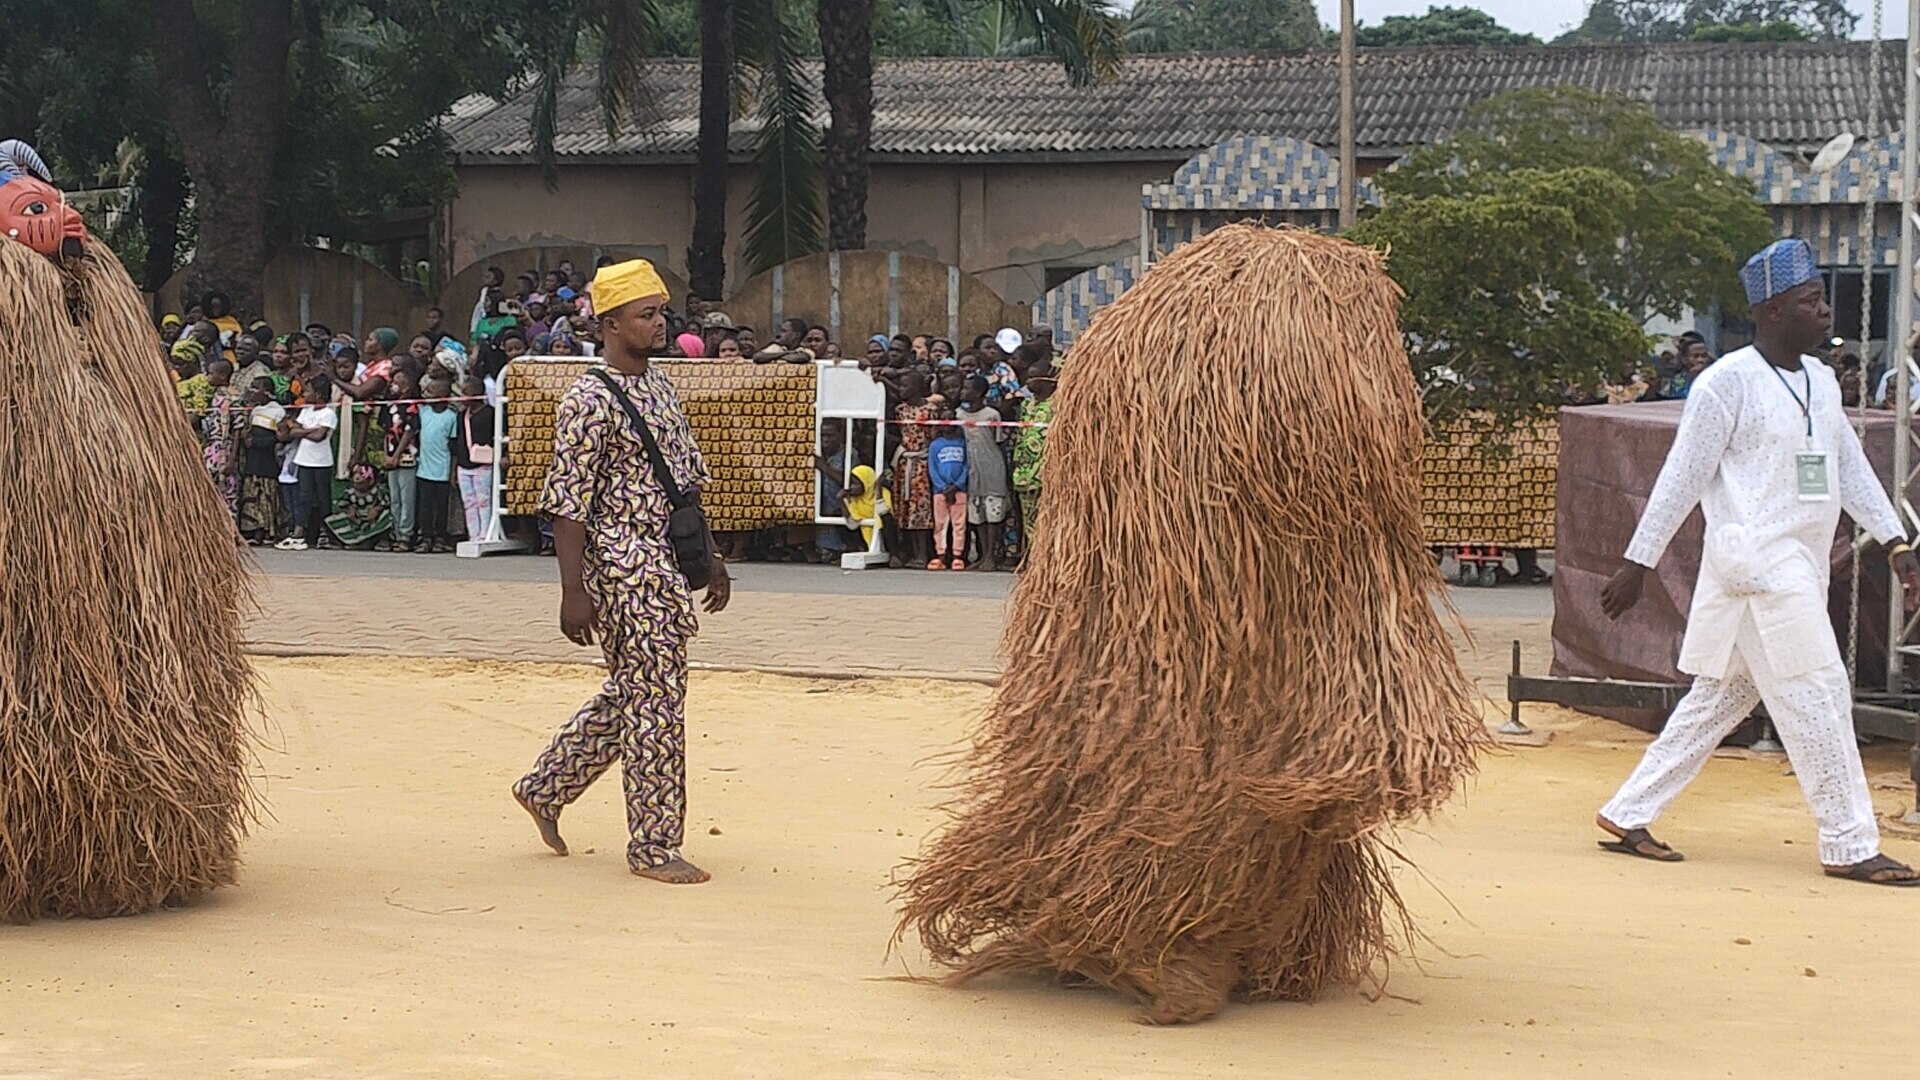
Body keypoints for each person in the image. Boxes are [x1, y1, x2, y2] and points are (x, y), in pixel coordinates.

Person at [1596, 238, 1920, 887]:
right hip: (1760, 566)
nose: (1826, 311)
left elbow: (1849, 470)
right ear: (1772, 311)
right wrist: (1639, 562)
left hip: (1793, 564)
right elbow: (1680, 478)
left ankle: (1628, 811)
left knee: (1723, 697)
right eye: (1812, 301)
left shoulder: (1823, 383)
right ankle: (1850, 843)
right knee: (1822, 693)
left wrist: (1895, 541)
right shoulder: (1725, 384)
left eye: (1822, 299)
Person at [512, 258, 731, 886]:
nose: (660, 324)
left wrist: (710, 557)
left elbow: (684, 484)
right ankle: (654, 846)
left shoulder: (659, 386)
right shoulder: (588, 399)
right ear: (609, 324)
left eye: (661, 312)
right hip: (618, 565)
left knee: (637, 691)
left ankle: (545, 787)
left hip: (664, 560)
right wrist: (572, 592)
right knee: (658, 699)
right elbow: (567, 504)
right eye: (646, 314)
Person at [276, 376, 338, 552]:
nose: (305, 393)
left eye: (308, 391)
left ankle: (326, 532)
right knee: (304, 497)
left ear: (318, 394)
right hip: (303, 460)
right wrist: (309, 430)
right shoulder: (307, 410)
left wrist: (301, 431)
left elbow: (319, 437)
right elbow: (293, 431)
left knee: (322, 498)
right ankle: (299, 531)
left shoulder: (328, 413)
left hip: (321, 462)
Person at [956, 375, 1011, 571]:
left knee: (993, 515)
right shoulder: (960, 415)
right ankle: (982, 554)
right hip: (972, 470)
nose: (962, 391)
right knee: (977, 515)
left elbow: (1000, 442)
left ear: (978, 393)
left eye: (966, 388)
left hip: (992, 469)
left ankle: (991, 555)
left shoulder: (991, 415)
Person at [890, 369, 939, 569]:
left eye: (905, 385)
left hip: (921, 462)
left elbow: (934, 436)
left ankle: (923, 553)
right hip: (904, 463)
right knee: (905, 508)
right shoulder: (900, 410)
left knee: (921, 509)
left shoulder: (930, 410)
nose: (901, 389)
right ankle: (911, 551)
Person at [1012, 361, 1056, 561]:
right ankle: (1035, 559)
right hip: (1024, 472)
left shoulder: (1057, 404)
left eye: (1032, 377)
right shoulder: (1027, 404)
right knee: (1029, 519)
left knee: (1048, 518)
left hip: (1047, 470)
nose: (1028, 382)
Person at [236, 378, 285, 545]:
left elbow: (278, 438)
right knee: (252, 496)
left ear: (266, 391)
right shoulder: (254, 410)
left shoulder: (278, 411)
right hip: (252, 459)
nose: (251, 390)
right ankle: (253, 531)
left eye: (256, 388)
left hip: (267, 459)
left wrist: (256, 442)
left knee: (266, 496)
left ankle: (267, 532)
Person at [379, 367, 423, 552]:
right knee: (395, 498)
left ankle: (405, 534)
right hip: (390, 455)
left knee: (407, 497)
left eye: (398, 380)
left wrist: (396, 455)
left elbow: (409, 431)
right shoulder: (389, 405)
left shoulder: (412, 405)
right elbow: (385, 430)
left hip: (406, 455)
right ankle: (396, 532)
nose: (393, 384)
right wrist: (387, 456)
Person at [414, 375, 459, 554]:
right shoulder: (423, 412)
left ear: (443, 395)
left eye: (431, 392)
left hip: (442, 470)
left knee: (441, 507)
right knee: (425, 506)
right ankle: (425, 537)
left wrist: (452, 471)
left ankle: (440, 536)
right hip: (424, 469)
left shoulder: (451, 417)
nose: (427, 395)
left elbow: (454, 446)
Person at [454, 373, 497, 543]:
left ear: (479, 393)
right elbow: (457, 442)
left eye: (467, 392)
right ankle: (474, 534)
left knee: (483, 500)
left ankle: (485, 534)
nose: (463, 396)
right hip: (464, 465)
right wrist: (454, 467)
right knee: (469, 501)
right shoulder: (462, 415)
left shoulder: (491, 413)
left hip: (483, 464)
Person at [199, 359, 243, 516]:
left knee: (227, 487)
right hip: (213, 448)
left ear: (223, 375)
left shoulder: (232, 398)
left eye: (211, 373)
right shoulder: (215, 396)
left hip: (225, 449)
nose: (207, 377)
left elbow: (238, 428)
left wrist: (232, 458)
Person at [926, 416, 968, 571]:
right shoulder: (935, 445)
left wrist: (957, 485)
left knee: (959, 523)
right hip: (940, 491)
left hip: (959, 490)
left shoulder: (962, 443)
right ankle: (941, 555)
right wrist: (942, 486)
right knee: (940, 523)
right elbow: (932, 468)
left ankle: (957, 555)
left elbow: (966, 466)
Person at [325, 464, 393, 550]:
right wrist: (350, 508)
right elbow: (341, 503)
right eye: (355, 482)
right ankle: (348, 541)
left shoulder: (378, 490)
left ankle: (383, 541)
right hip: (356, 522)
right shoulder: (350, 492)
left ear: (370, 481)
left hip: (373, 523)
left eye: (361, 482)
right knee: (332, 519)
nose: (356, 484)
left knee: (387, 516)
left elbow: (387, 501)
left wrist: (377, 509)